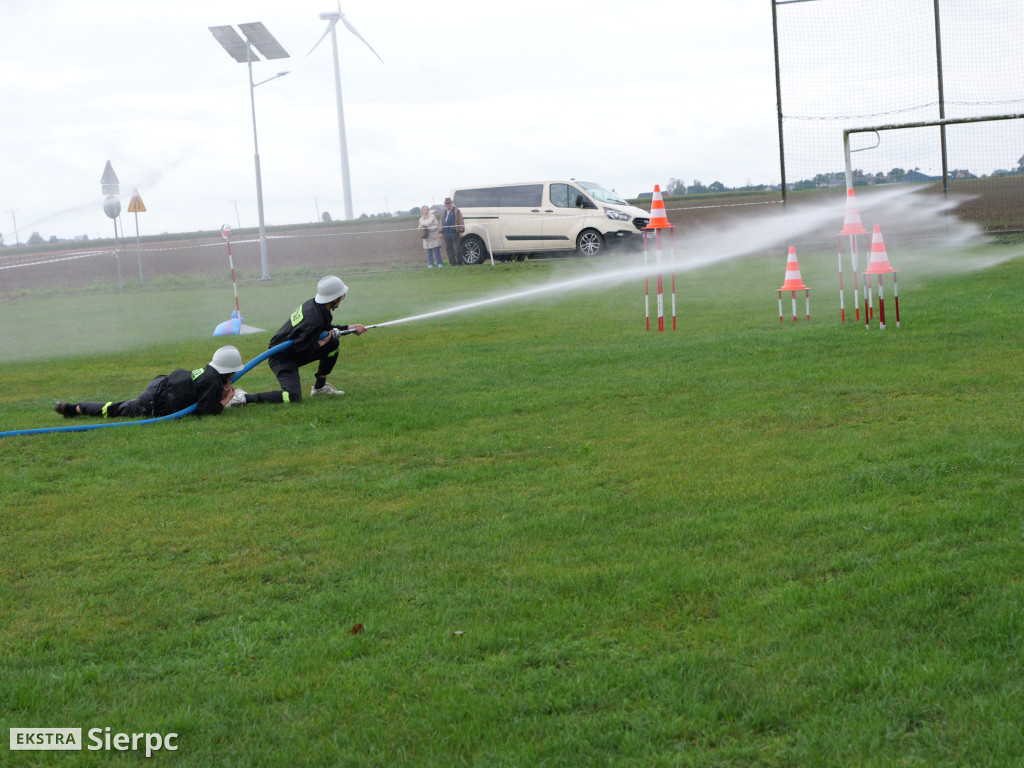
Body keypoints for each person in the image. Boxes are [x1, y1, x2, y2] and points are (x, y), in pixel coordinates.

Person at [54, 345, 249, 419]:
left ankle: (74, 409)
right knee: (115, 409)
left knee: (119, 406)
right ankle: (74, 409)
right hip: (154, 401)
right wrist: (227, 398)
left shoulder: (209, 372)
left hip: (160, 384)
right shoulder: (214, 382)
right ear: (229, 371)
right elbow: (207, 412)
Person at [265, 275, 367, 402]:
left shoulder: (316, 306)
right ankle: (243, 398)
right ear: (333, 298)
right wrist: (320, 344)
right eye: (341, 296)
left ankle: (320, 387)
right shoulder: (314, 320)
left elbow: (326, 329)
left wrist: (349, 328)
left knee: (332, 344)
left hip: (293, 350)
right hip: (282, 357)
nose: (342, 299)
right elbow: (299, 349)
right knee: (293, 397)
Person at [440, 196, 465, 266]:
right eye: (446, 204)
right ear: (445, 204)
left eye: (449, 203)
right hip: (446, 234)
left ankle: (460, 263)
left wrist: (461, 231)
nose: (448, 205)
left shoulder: (456, 211)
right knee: (449, 249)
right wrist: (441, 232)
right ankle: (453, 264)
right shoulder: (444, 212)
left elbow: (460, 221)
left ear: (451, 203)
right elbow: (441, 222)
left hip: (455, 233)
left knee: (457, 249)